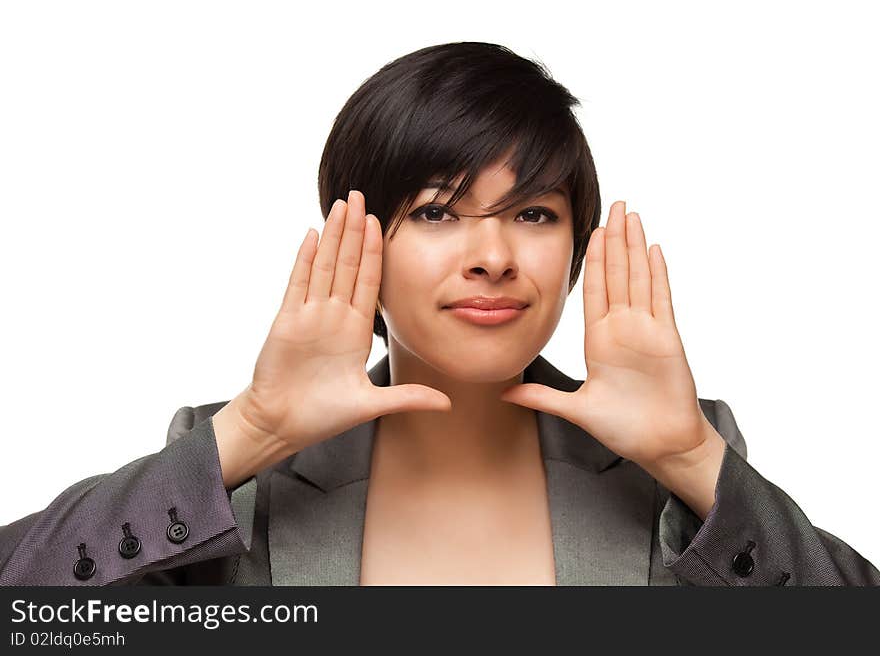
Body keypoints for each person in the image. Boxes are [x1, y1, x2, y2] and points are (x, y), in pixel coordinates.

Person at [1, 42, 877, 586]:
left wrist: (692, 459)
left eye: (533, 213)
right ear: (361, 243)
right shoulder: (239, 475)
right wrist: (254, 432)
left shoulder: (681, 477)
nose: (492, 255)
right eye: (435, 212)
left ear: (576, 246)